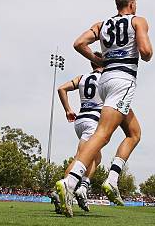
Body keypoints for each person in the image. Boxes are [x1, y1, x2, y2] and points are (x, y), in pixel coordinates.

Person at [55, 0, 152, 217]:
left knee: (134, 132)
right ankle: (70, 182)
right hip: (123, 80)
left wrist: (96, 59)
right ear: (132, 4)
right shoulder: (138, 21)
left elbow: (79, 43)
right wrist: (140, 48)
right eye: (136, 2)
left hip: (105, 81)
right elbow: (146, 53)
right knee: (103, 134)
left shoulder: (102, 25)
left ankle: (112, 179)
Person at [52, 52, 105, 213]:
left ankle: (82, 186)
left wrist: (68, 110)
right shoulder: (106, 78)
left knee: (96, 157)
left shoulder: (82, 77)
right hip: (93, 121)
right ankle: (67, 188)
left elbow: (62, 89)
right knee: (81, 157)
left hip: (80, 120)